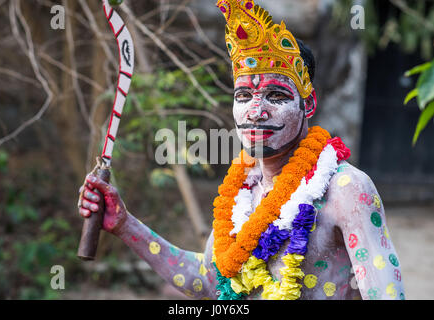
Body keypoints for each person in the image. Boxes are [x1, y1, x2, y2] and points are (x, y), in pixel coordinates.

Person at [77, 0, 405, 300]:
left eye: (276, 96)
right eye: (243, 96)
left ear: (308, 104)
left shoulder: (347, 191)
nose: (255, 111)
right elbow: (208, 280)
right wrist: (124, 224)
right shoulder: (241, 191)